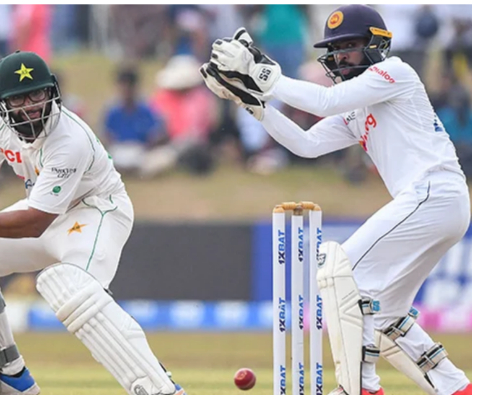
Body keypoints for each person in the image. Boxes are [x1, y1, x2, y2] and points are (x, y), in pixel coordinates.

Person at [201, 5, 471, 396]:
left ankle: (359, 387)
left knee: (340, 271)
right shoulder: (357, 107)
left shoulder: (394, 73)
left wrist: (263, 73)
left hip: (433, 192)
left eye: (350, 46)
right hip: (439, 204)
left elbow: (323, 103)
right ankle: (456, 388)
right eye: (335, 48)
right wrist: (254, 105)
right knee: (387, 314)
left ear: (376, 46)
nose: (340, 55)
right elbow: (307, 145)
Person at [0, 51, 186, 395]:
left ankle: (161, 390)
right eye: (19, 98)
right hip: (45, 207)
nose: (30, 106)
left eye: (37, 94)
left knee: (71, 288)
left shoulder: (69, 139)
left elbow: (34, 223)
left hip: (95, 211)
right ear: (1, 101)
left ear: (51, 91)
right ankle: (6, 381)